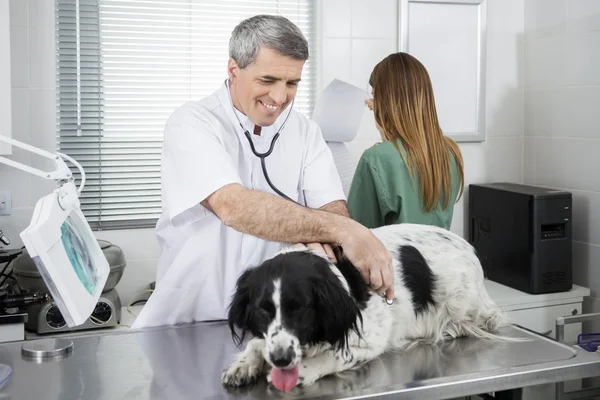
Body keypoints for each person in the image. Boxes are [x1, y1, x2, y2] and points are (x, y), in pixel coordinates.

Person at [132, 15, 394, 329]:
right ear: (233, 70)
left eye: (292, 83)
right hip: (195, 316)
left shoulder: (305, 132)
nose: (280, 97)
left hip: (271, 321)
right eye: (267, 81)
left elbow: (332, 210)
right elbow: (233, 207)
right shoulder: (192, 123)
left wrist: (336, 232)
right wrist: (345, 231)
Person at [347, 52, 464, 230]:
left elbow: (357, 233)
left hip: (395, 257)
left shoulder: (376, 158)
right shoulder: (450, 151)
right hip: (440, 256)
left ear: (389, 101)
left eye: (375, 95)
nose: (370, 104)